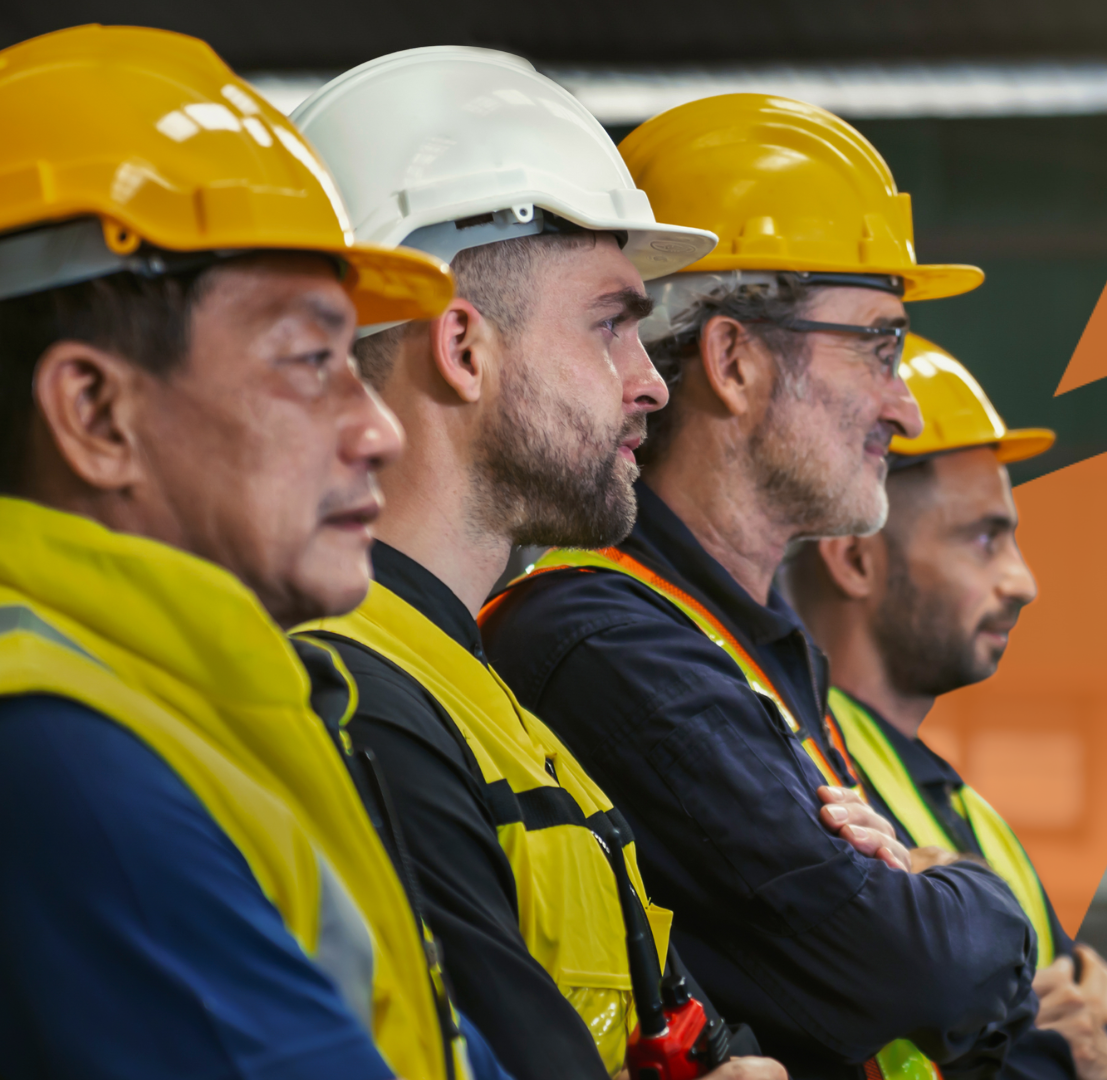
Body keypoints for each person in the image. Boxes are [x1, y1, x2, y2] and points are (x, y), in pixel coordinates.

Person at [0, 26, 505, 1080]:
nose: (375, 427)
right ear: (95, 413)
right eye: (310, 362)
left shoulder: (200, 721)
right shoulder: (45, 770)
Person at [480, 94, 1040, 1080]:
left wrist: (939, 910)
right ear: (733, 358)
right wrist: (975, 895)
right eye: (879, 344)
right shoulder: (608, 648)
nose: (904, 407)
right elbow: (908, 973)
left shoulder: (749, 652)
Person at [289, 48, 779, 1080]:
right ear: (463, 349)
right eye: (611, 324)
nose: (650, 384)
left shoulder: (478, 697)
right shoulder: (353, 708)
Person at [783, 335, 1107, 1080]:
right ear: (856, 560)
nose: (1022, 581)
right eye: (984, 540)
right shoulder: (800, 768)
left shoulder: (950, 799)